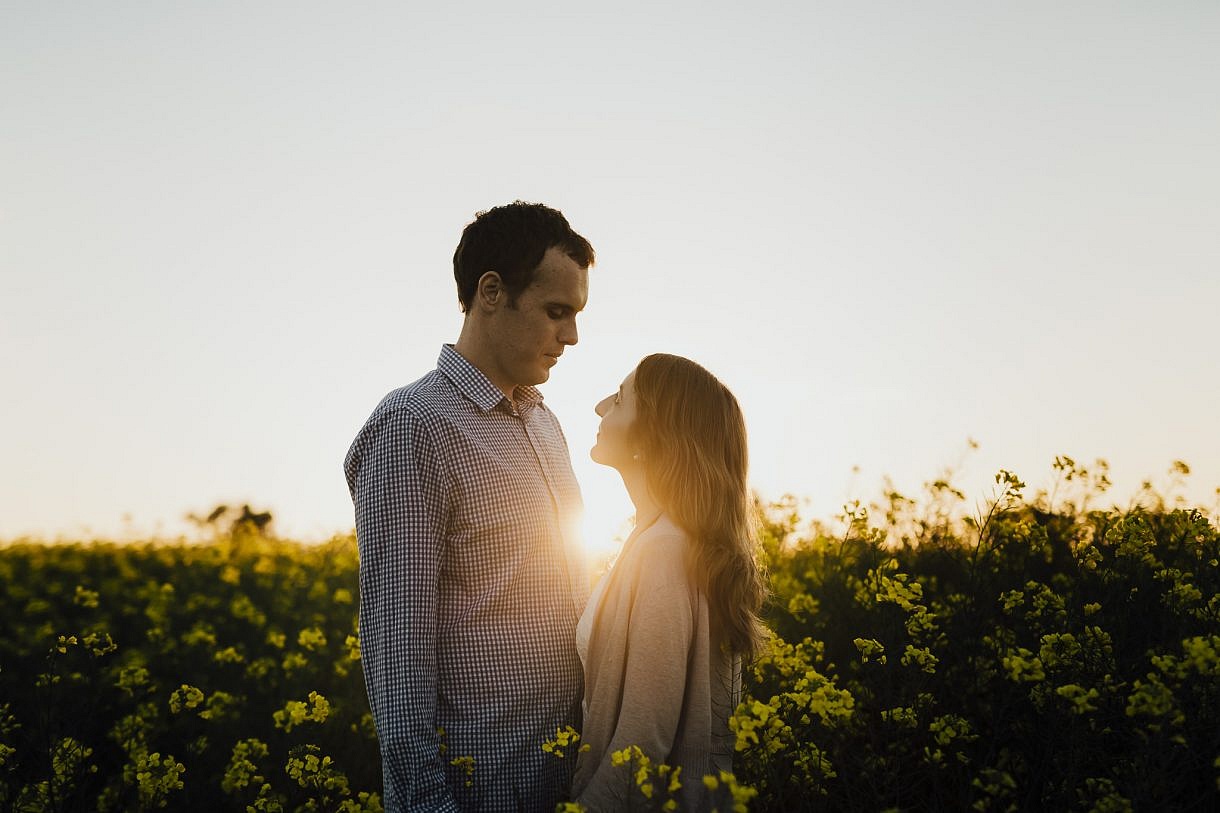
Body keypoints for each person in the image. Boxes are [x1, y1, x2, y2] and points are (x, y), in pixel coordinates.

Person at [344, 201, 594, 812]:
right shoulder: (412, 425)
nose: (572, 337)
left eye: (576, 315)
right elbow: (397, 650)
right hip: (476, 790)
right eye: (555, 312)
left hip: (561, 783)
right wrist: (432, 806)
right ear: (491, 292)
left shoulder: (545, 421)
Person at [572, 354, 768, 811]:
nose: (601, 406)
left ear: (651, 434)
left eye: (619, 400)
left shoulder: (665, 551)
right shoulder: (659, 539)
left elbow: (643, 740)